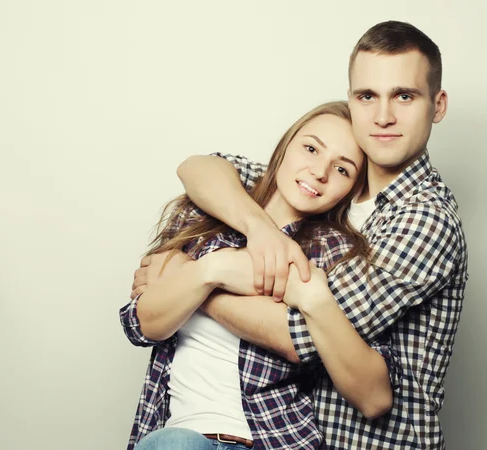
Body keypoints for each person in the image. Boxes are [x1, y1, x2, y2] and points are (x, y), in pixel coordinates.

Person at [171, 21, 468, 449]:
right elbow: (202, 169)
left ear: (437, 105)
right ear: (352, 99)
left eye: (405, 96)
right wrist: (258, 228)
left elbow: (297, 333)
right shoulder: (333, 186)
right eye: (368, 96)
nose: (383, 116)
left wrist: (191, 279)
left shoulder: (425, 219)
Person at [120, 101, 399, 450]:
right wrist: (214, 267)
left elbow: (332, 358)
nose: (319, 172)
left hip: (272, 439)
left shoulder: (339, 255)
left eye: (342, 170)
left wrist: (197, 277)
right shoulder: (203, 215)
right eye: (311, 148)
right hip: (176, 436)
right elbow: (141, 324)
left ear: (354, 188)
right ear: (285, 146)